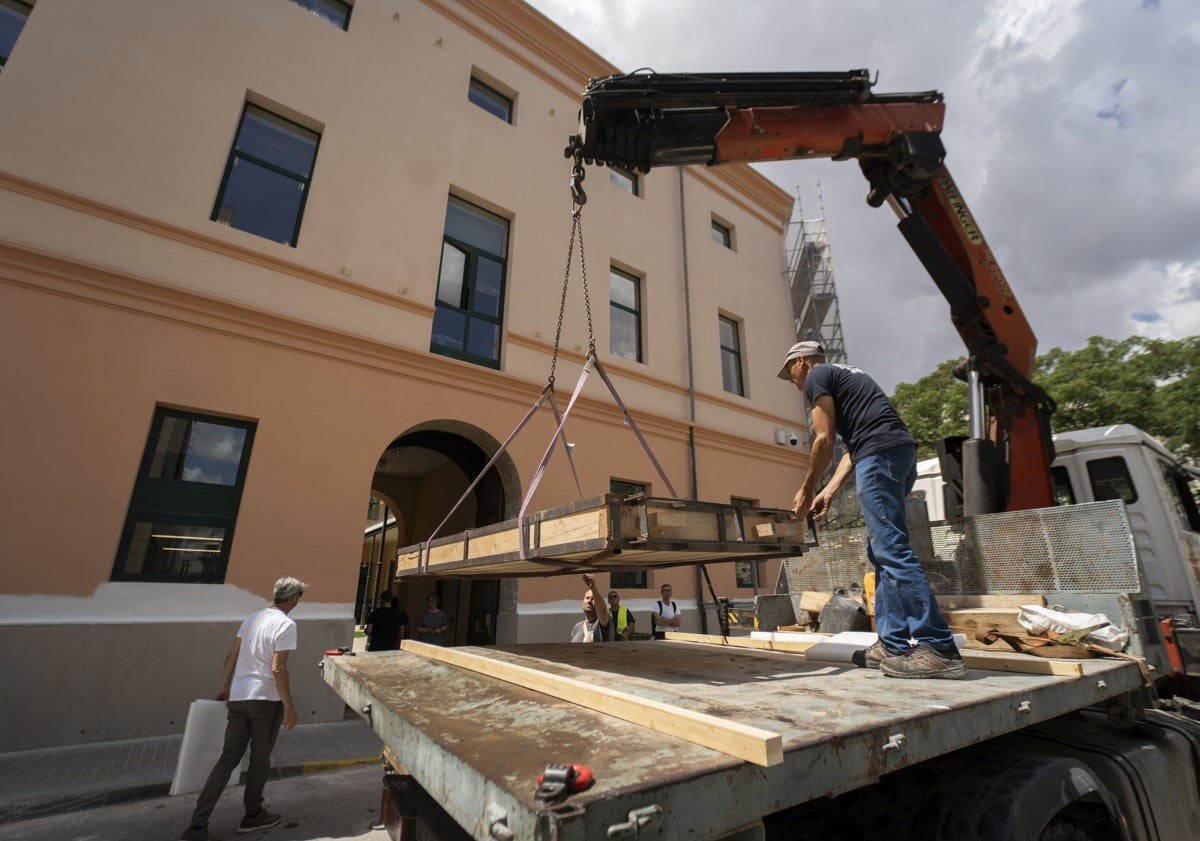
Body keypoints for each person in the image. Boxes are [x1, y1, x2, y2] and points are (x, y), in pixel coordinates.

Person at [778, 340, 966, 679]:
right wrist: (828, 491)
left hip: (880, 457)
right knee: (880, 551)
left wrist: (806, 490)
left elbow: (823, 438)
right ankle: (892, 644)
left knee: (891, 549)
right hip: (896, 454)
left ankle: (938, 647)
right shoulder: (848, 376)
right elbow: (855, 449)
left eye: (789, 371)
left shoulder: (818, 375)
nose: (792, 381)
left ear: (802, 362)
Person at [179, 576, 307, 841]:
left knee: (227, 759)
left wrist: (223, 688)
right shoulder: (286, 624)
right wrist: (289, 705)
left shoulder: (252, 618)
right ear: (294, 598)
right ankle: (253, 814)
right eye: (299, 597)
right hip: (265, 699)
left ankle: (197, 825)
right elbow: (278, 667)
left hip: (238, 696)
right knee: (260, 758)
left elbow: (231, 655)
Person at [570, 573, 611, 642]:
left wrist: (593, 587)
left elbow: (603, 611)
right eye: (587, 598)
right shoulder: (577, 627)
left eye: (593, 599)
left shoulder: (602, 622)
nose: (589, 601)